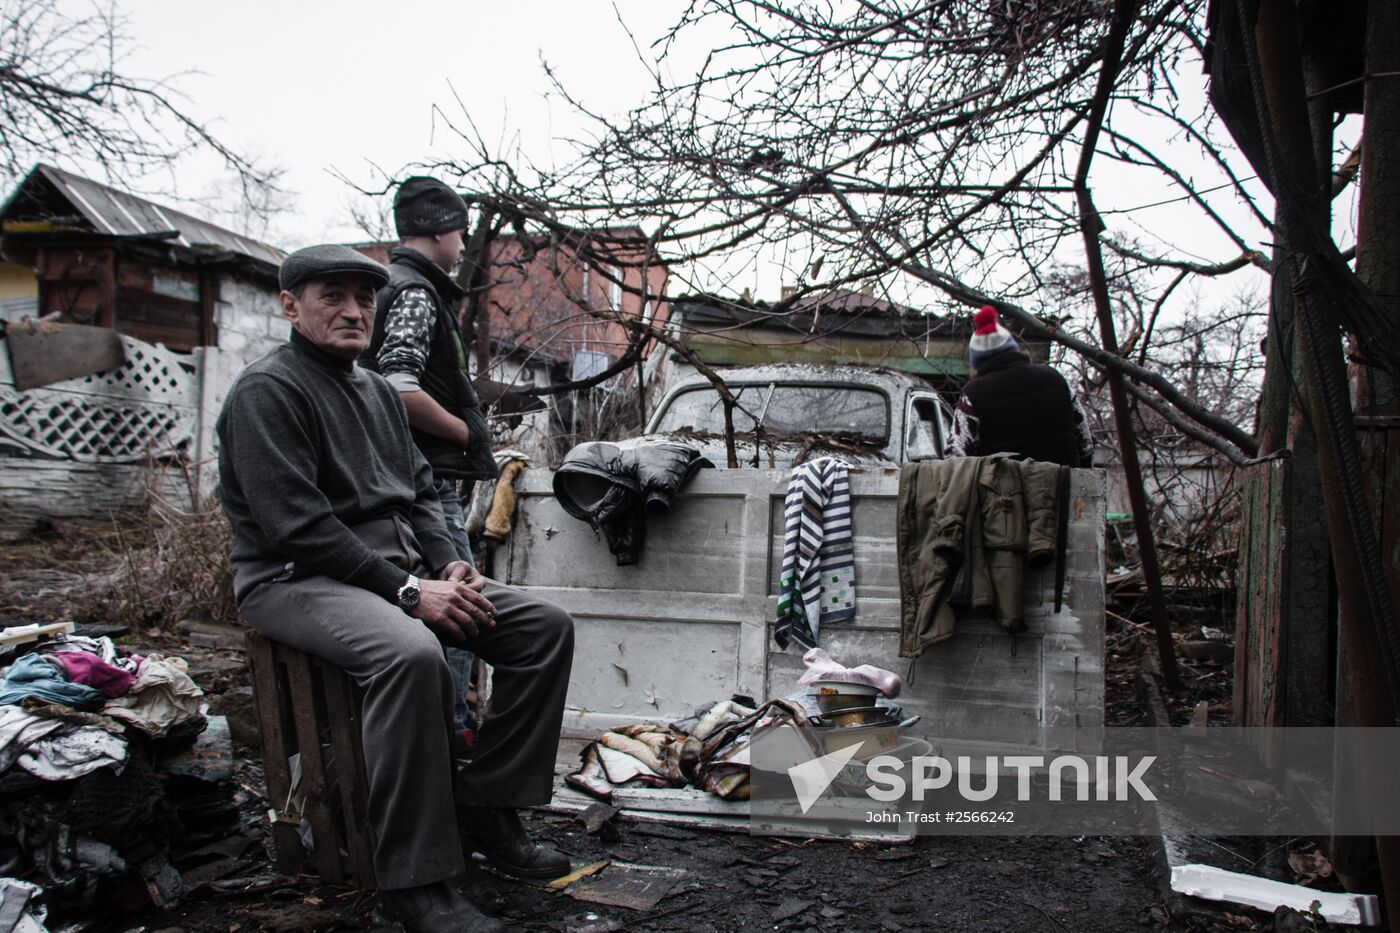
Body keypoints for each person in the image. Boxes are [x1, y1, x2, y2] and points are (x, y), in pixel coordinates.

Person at [217, 245, 573, 933]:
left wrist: (447, 564)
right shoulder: (269, 391)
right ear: (290, 305)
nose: (353, 310)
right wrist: (410, 592)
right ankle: (413, 882)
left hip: (394, 573)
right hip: (295, 578)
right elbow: (299, 529)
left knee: (542, 629)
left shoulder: (377, 389)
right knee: (411, 655)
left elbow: (418, 494)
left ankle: (487, 808)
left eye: (364, 297)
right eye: (333, 295)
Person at [365, 176, 498, 740]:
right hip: (427, 479)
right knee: (459, 610)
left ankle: (433, 739)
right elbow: (397, 385)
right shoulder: (417, 291)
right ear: (441, 229)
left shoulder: (395, 284)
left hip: (401, 476)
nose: (464, 245)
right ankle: (451, 743)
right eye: (461, 231)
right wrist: (465, 434)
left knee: (431, 609)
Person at [946, 305, 1094, 467]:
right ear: (1012, 347)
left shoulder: (972, 395)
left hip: (1003, 490)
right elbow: (1085, 441)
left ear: (977, 360)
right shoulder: (1056, 379)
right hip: (1063, 486)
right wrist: (1082, 468)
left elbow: (956, 456)